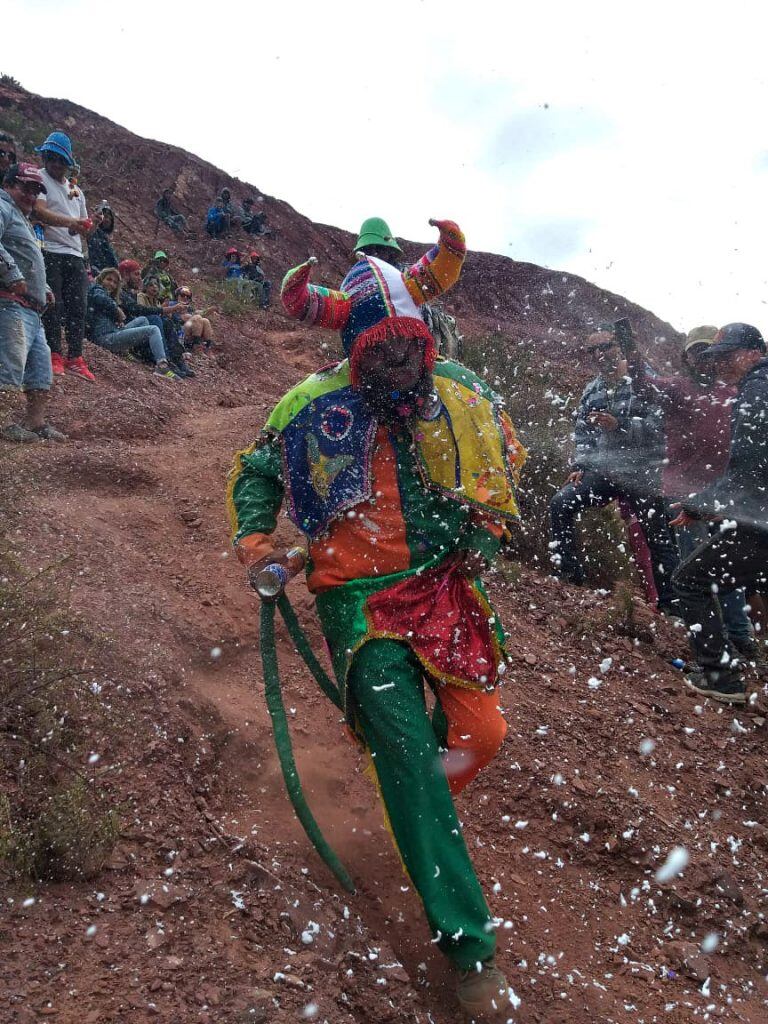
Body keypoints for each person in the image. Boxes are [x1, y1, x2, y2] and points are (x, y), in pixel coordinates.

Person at [228, 219, 526, 1018]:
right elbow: (258, 469)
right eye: (382, 351)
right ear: (355, 345)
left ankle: (413, 800)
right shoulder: (307, 405)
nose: (398, 364)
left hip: (441, 589)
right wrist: (261, 542)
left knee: (481, 738)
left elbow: (500, 463)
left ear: (423, 339)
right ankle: (470, 949)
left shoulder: (460, 393)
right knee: (403, 743)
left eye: (408, 348)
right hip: (356, 602)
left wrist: (479, 526)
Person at [624, 323, 756, 656]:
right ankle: (715, 648)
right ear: (686, 357)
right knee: (696, 570)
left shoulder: (734, 392)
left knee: (725, 570)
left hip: (726, 496)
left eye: (707, 352)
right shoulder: (676, 388)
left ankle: (740, 639)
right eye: (695, 352)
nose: (703, 359)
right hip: (687, 497)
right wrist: (632, 354)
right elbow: (642, 388)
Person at [548, 321, 679, 606]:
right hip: (604, 472)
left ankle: (673, 606)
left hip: (642, 473)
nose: (598, 354)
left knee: (658, 538)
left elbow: (660, 427)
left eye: (605, 346)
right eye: (592, 350)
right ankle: (571, 580)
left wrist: (619, 426)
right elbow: (583, 433)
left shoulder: (645, 381)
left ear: (619, 347)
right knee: (560, 504)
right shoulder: (591, 390)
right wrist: (580, 466)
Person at [672, 323, 768, 703]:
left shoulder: (757, 392)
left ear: (752, 352)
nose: (721, 364)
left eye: (727, 355)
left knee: (690, 581)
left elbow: (750, 468)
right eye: (717, 358)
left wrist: (700, 504)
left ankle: (720, 676)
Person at [0, 163, 66, 442]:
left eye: (35, 190)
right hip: (11, 302)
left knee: (40, 368)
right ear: (8, 184)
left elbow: (29, 259)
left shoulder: (20, 217)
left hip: (31, 308)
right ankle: (3, 424)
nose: (30, 195)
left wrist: (45, 287)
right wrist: (11, 273)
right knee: (9, 365)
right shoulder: (3, 207)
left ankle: (35, 422)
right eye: (25, 188)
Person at [34, 131, 96, 381]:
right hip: (50, 249)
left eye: (61, 160)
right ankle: (54, 353)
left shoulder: (76, 191)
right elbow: (40, 213)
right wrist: (73, 222)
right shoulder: (38, 179)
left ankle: (75, 356)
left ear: (68, 163)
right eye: (52, 159)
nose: (56, 165)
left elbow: (78, 228)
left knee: (77, 307)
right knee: (54, 304)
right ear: (45, 157)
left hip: (74, 252)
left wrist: (86, 226)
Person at [86, 268, 177, 378]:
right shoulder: (96, 289)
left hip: (112, 332)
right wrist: (117, 310)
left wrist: (117, 319)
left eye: (115, 282)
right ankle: (162, 366)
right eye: (108, 279)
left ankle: (126, 350)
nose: (111, 284)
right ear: (101, 279)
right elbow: (99, 298)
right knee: (153, 329)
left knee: (143, 320)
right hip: (105, 338)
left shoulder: (109, 295)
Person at [118, 259, 194, 378]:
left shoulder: (129, 293)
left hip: (139, 333)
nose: (140, 278)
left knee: (166, 322)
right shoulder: (123, 293)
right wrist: (166, 310)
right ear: (125, 274)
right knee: (155, 318)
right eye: (136, 274)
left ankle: (176, 359)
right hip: (131, 336)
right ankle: (165, 360)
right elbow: (139, 310)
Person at [163, 285, 215, 350]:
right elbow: (165, 311)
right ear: (177, 295)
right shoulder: (171, 304)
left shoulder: (189, 308)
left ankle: (207, 346)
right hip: (178, 330)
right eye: (182, 295)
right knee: (197, 317)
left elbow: (201, 312)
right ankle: (196, 345)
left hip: (190, 330)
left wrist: (210, 310)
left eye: (188, 296)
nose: (185, 297)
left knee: (205, 320)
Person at [88, 201, 119, 275]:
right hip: (96, 273)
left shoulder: (106, 238)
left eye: (110, 218)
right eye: (105, 216)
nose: (108, 220)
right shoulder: (93, 232)